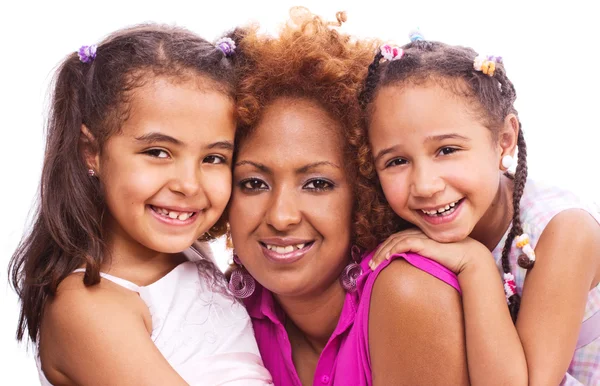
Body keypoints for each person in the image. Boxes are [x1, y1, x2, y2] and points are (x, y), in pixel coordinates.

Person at [9, 24, 271, 385]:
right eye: (158, 152)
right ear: (92, 151)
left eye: (213, 158)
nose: (188, 184)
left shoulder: (191, 259)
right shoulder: (88, 307)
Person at [225, 8, 469, 385]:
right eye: (254, 183)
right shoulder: (227, 309)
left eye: (317, 183)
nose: (282, 216)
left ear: (363, 192)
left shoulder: (408, 293)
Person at [362, 31, 600, 385]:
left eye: (447, 150)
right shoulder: (406, 229)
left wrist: (474, 263)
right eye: (397, 161)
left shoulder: (564, 231)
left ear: (503, 140)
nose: (426, 185)